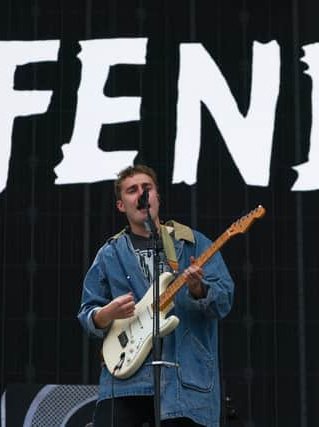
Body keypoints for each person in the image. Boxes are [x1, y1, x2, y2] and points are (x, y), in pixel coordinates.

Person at [78, 164, 235, 427]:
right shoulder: (110, 253)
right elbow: (87, 313)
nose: (141, 194)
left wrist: (199, 289)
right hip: (126, 380)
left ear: (157, 198)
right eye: (132, 190)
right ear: (121, 205)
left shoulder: (193, 243)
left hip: (184, 380)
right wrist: (107, 313)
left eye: (146, 188)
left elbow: (224, 300)